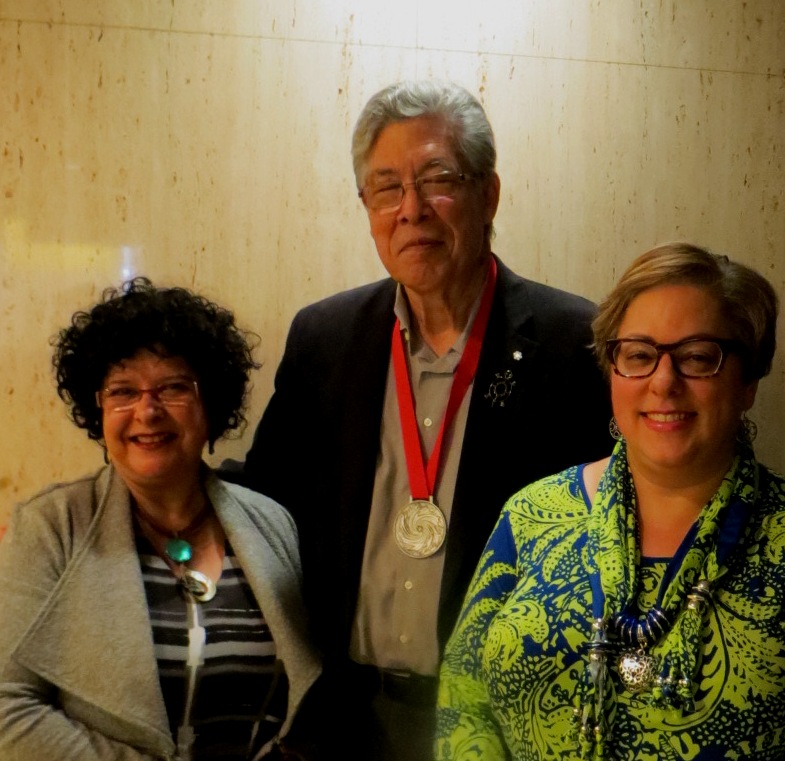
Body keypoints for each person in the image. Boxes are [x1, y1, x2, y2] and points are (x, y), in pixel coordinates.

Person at [239, 80, 613, 760]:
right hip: (342, 721)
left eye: (437, 180)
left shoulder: (572, 344)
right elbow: (266, 504)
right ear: (367, 208)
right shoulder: (325, 338)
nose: (410, 209)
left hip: (499, 726)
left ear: (487, 194)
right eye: (386, 188)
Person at [436, 242, 785, 760]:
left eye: (697, 357)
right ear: (612, 370)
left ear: (748, 381)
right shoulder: (531, 515)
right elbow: (463, 697)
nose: (664, 382)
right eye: (638, 355)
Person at [0, 278, 321, 761]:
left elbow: (303, 702)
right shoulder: (51, 527)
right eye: (123, 391)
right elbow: (8, 708)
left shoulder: (271, 523)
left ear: (210, 405)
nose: (146, 411)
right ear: (98, 410)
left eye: (173, 387)